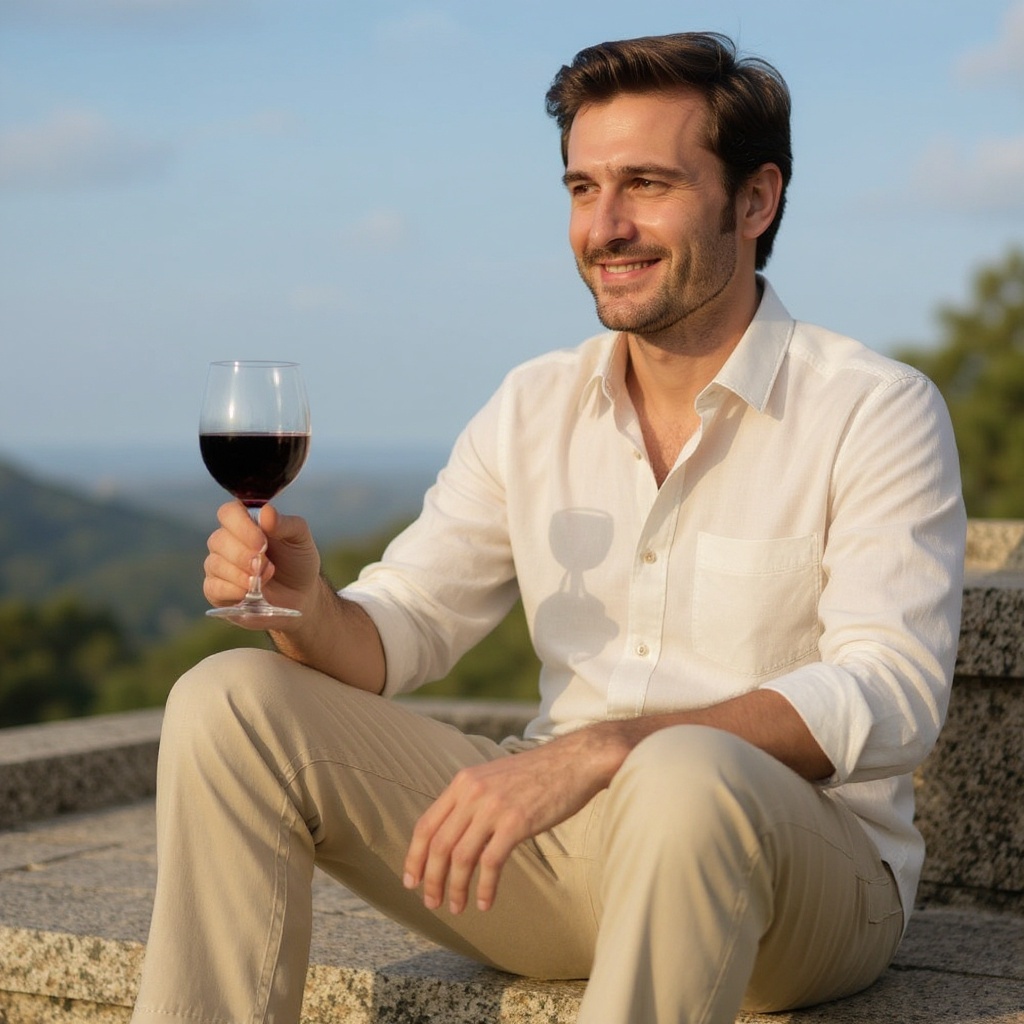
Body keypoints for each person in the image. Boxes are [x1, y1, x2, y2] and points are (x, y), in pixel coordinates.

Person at [130, 31, 966, 1024]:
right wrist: (309, 608)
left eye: (646, 184)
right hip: (564, 861)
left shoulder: (874, 408)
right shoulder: (532, 404)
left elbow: (893, 691)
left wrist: (610, 745)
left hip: (805, 881)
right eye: (580, 188)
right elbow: (399, 629)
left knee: (684, 772)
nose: (603, 226)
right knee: (228, 699)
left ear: (755, 200)